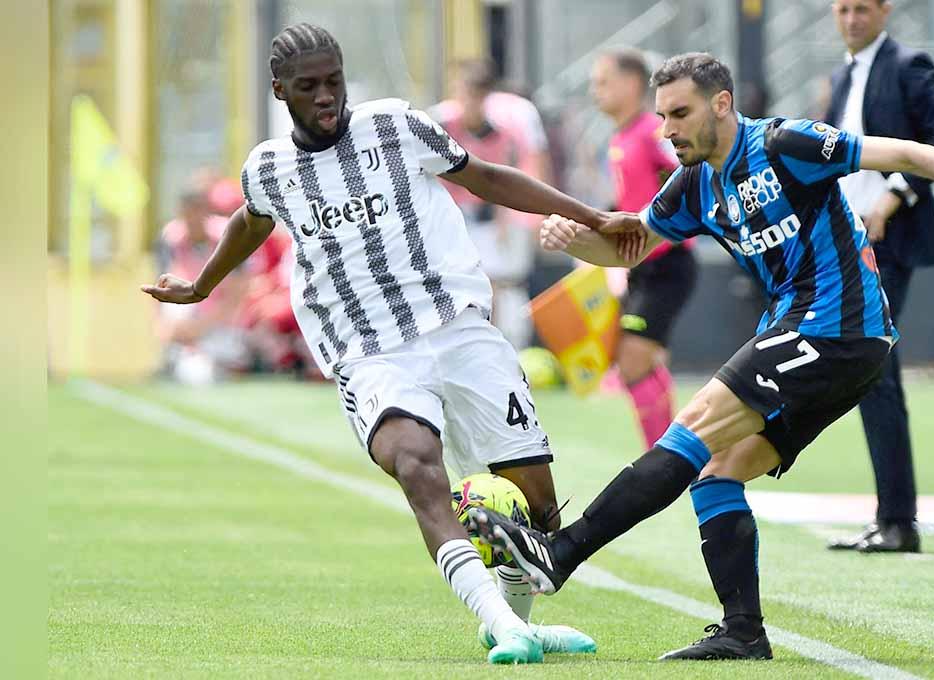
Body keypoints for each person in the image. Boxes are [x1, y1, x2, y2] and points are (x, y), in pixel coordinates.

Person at [467, 52, 934, 661]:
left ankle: (560, 555)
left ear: (722, 104)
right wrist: (576, 238)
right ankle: (743, 630)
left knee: (691, 429)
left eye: (681, 114)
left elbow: (910, 153)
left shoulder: (788, 143)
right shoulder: (694, 183)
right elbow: (631, 248)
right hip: (826, 340)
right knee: (717, 471)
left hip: (836, 327)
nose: (669, 130)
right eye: (663, 116)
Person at [141, 23, 641, 665]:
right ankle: (497, 621)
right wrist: (203, 285)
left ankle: (521, 623)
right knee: (414, 465)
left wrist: (594, 217)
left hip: (459, 328)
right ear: (280, 91)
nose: (326, 98)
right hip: (369, 352)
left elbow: (486, 175)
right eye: (308, 88)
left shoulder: (398, 126)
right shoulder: (268, 168)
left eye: (333, 82)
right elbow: (249, 218)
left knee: (537, 505)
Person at [821, 0, 934, 554]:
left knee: (876, 369)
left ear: (885, 11)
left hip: (892, 241)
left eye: (863, 8)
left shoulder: (909, 65)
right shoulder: (842, 75)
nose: (852, 18)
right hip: (851, 244)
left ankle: (898, 522)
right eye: (843, 8)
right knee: (869, 372)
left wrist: (895, 194)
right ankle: (890, 516)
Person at [590, 46, 698, 447]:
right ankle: (670, 453)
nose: (596, 92)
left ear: (632, 84)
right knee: (639, 361)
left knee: (633, 359)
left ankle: (664, 457)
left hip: (667, 264)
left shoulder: (652, 133)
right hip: (643, 266)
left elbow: (689, 174)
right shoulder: (621, 137)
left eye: (604, 83)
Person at [434, 59, 539, 348]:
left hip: (484, 219)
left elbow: (501, 180)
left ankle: (488, 345)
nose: (467, 101)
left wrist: (504, 220)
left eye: (474, 94)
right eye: (462, 92)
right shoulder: (441, 126)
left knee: (489, 285)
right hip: (447, 219)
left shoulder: (501, 134)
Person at [154, 189, 250, 383]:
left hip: (222, 320)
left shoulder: (227, 236)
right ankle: (177, 355)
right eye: (188, 213)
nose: (193, 219)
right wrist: (163, 326)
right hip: (189, 316)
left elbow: (237, 294)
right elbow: (162, 286)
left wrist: (201, 326)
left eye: (198, 212)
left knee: (205, 372)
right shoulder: (171, 239)